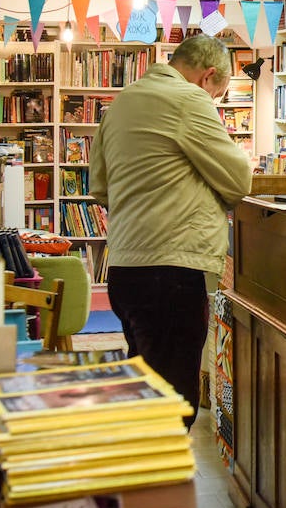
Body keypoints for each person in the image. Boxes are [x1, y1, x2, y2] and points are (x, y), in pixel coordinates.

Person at [90, 33, 252, 420]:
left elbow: (98, 185)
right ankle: (164, 479)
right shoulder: (189, 100)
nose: (212, 102)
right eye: (217, 94)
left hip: (125, 267)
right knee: (174, 399)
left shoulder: (122, 102)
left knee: (144, 386)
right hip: (172, 268)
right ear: (207, 77)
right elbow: (238, 179)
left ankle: (143, 475)